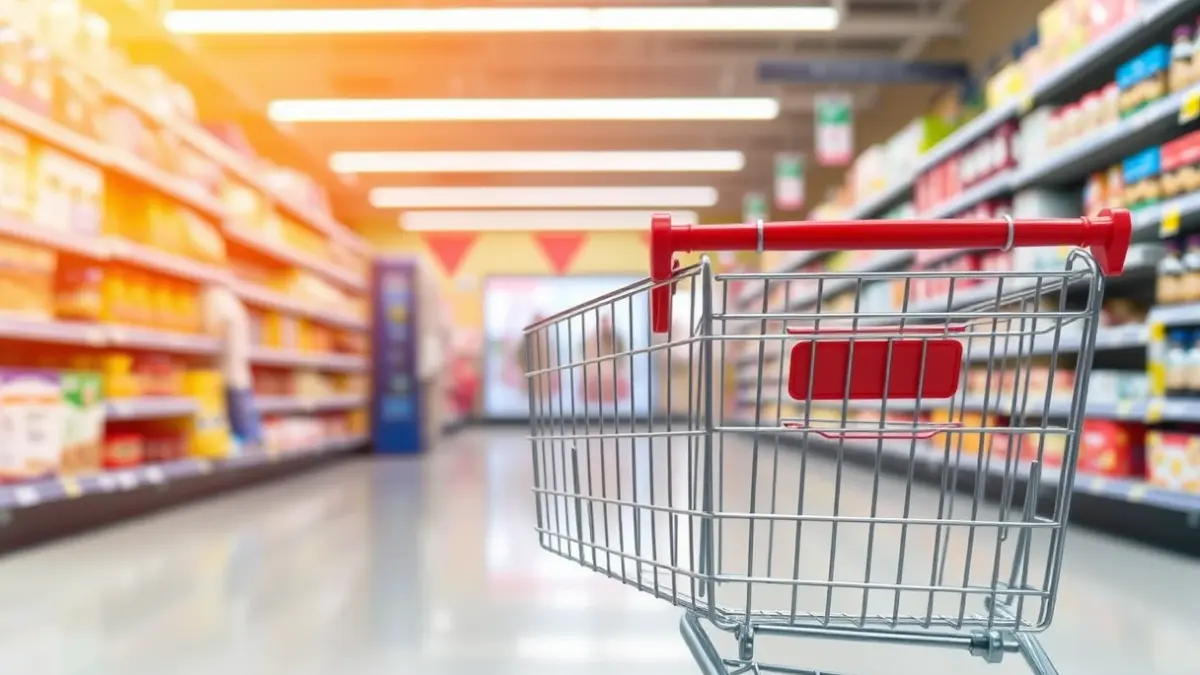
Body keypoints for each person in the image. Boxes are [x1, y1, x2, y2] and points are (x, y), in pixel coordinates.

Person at [202, 283, 262, 449]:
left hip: (231, 369)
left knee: (238, 405)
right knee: (243, 402)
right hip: (237, 368)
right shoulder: (233, 306)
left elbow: (217, 329)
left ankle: (245, 440)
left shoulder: (218, 302)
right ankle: (249, 438)